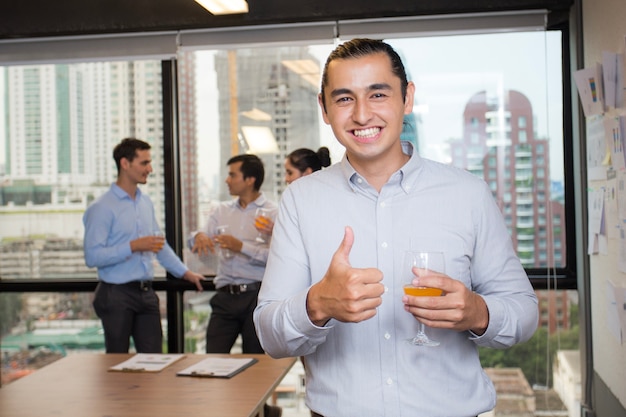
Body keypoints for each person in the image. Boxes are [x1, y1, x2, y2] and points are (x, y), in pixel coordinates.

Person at [253, 38, 538, 417]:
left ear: (407, 98)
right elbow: (270, 336)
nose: (361, 114)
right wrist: (317, 303)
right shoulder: (300, 201)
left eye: (378, 94)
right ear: (324, 108)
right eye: (343, 99)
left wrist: (477, 312)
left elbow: (524, 312)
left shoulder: (467, 194)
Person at [83, 138, 204, 354]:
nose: (150, 169)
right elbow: (93, 257)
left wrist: (186, 273)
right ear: (125, 164)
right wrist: (133, 246)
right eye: (144, 163)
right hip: (115, 294)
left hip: (146, 294)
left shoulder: (145, 203)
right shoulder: (101, 208)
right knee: (117, 361)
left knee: (153, 360)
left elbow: (159, 245)